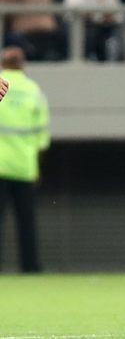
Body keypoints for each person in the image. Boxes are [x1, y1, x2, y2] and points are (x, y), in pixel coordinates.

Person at [0, 46, 49, 273]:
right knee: (26, 223)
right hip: (24, 166)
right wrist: (36, 166)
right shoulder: (33, 91)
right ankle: (30, 268)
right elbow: (42, 136)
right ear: (22, 64)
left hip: (0, 165)